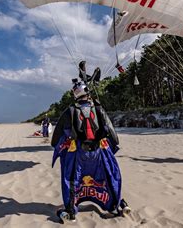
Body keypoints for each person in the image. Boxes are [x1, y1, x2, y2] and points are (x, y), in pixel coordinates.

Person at [51, 80, 130, 223]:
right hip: (99, 151)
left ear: (75, 95)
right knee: (109, 176)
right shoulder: (99, 108)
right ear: (87, 93)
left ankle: (70, 211)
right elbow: (114, 137)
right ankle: (114, 206)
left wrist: (63, 147)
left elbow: (54, 140)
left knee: (72, 180)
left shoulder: (69, 111)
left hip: (78, 153)